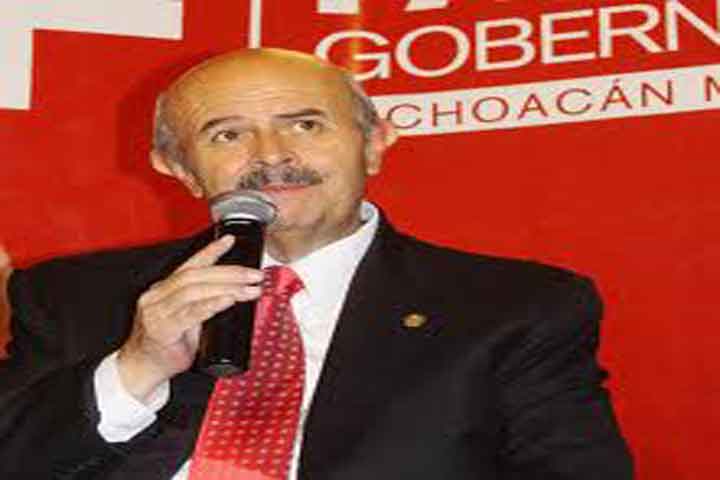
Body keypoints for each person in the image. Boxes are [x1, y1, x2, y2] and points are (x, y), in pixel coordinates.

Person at [0, 48, 633, 479]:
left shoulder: (515, 309)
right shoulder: (72, 296)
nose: (272, 155)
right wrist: (135, 367)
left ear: (375, 143)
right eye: (227, 134)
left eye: (305, 125)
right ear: (180, 169)